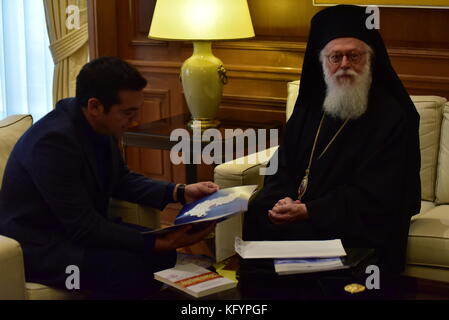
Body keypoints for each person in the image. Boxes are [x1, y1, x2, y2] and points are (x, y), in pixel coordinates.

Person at [0, 57, 219, 299]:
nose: (134, 120)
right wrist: (157, 242)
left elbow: (121, 180)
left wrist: (180, 191)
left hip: (76, 233)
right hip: (42, 248)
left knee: (163, 256)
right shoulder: (52, 143)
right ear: (95, 106)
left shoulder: (99, 124)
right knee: (127, 268)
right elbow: (83, 227)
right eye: (128, 113)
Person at [243, 5, 421, 294]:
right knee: (257, 210)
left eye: (354, 55)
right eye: (335, 57)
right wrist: (279, 201)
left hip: (354, 228)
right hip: (300, 217)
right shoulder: (310, 108)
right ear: (322, 61)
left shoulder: (393, 115)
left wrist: (310, 211)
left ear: (370, 59)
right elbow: (282, 164)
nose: (344, 64)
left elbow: (383, 194)